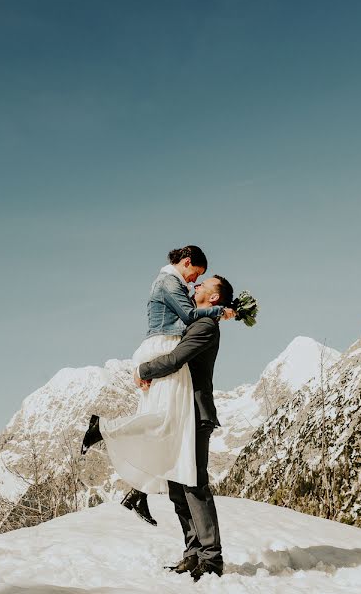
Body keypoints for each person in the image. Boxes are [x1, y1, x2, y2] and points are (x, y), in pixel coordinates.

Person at [80, 246, 233, 525]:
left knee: (165, 430)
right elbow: (188, 316)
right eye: (195, 274)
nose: (193, 282)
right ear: (187, 262)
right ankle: (102, 429)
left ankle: (138, 493)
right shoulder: (169, 281)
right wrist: (221, 311)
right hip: (162, 348)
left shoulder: (172, 282)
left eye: (199, 279)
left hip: (160, 350)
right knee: (164, 421)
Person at [135, 274, 233, 582]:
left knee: (194, 483)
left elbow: (177, 359)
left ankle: (211, 557)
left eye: (203, 286)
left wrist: (144, 369)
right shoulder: (194, 322)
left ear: (214, 299)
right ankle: (193, 553)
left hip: (195, 412)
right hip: (180, 412)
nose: (195, 287)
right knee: (177, 484)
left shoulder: (204, 327)